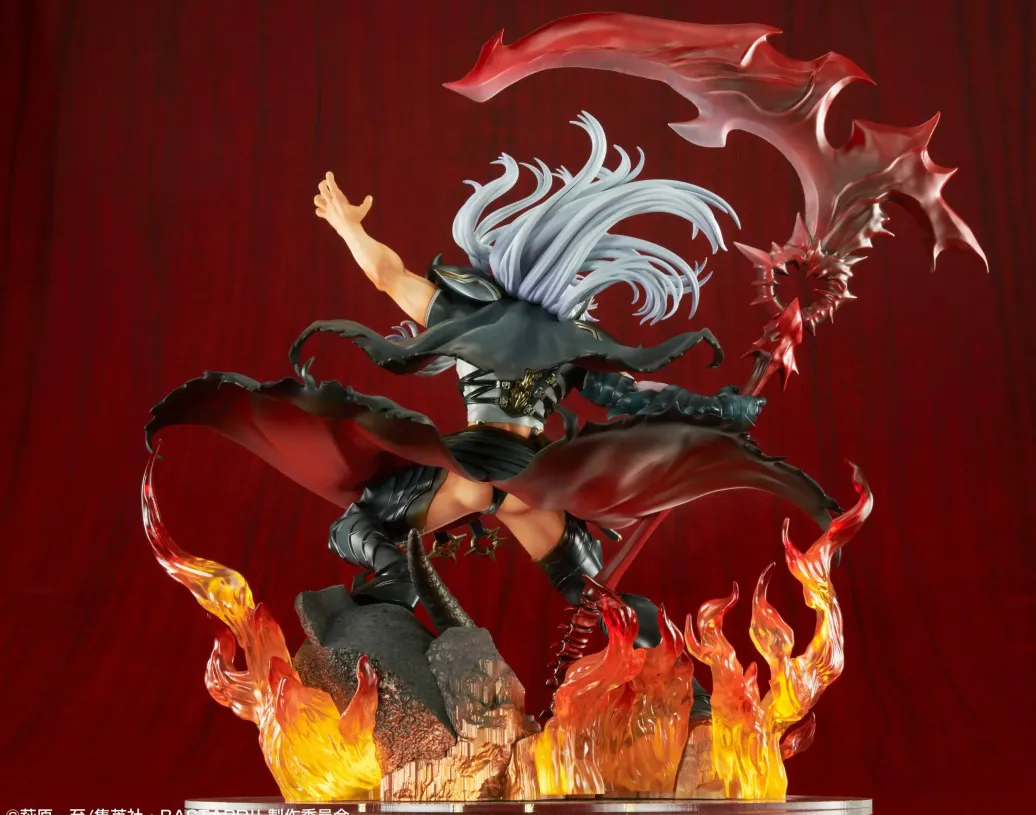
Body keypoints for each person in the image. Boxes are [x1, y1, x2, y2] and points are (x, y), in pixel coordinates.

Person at [147, 113, 838, 661]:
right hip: (533, 478)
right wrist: (722, 412)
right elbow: (637, 399)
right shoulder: (574, 338)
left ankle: (397, 582)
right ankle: (662, 655)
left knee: (358, 526)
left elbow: (387, 276)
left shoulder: (469, 312)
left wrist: (350, 228)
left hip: (472, 469)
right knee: (592, 591)